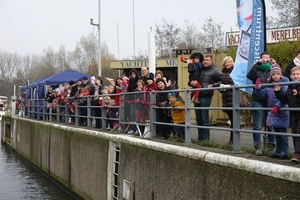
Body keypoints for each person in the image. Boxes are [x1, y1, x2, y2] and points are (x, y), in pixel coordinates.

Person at [255, 64, 289, 159]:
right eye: (273, 74)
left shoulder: (284, 85)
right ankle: (278, 150)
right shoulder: (269, 86)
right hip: (273, 113)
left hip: (281, 111)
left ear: (280, 75)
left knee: (282, 133)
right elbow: (261, 95)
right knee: (276, 132)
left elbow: (284, 98)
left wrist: (277, 106)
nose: (276, 76)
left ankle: (284, 151)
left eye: (278, 74)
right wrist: (258, 88)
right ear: (271, 76)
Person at [246, 52, 276, 156]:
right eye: (264, 59)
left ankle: (271, 146)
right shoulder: (256, 68)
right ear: (260, 59)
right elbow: (249, 76)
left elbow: (280, 76)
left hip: (270, 98)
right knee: (257, 124)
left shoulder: (273, 68)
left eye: (268, 59)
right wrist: (258, 64)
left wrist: (275, 64)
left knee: (271, 123)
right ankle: (257, 146)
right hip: (257, 98)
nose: (266, 61)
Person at [190, 55, 222, 141]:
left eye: (207, 60)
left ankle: (206, 139)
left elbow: (223, 80)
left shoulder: (215, 71)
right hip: (197, 95)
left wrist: (213, 85)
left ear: (211, 61)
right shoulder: (200, 69)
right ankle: (200, 138)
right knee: (198, 119)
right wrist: (191, 83)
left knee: (204, 118)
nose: (205, 61)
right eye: (204, 60)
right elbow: (192, 77)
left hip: (206, 96)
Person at [275, 66, 300, 163]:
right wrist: (278, 92)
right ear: (290, 76)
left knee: (298, 133)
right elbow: (285, 99)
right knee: (294, 134)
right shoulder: (290, 86)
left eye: (298, 74)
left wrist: (298, 94)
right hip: (293, 113)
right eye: (294, 74)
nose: (296, 76)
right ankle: (296, 153)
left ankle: (297, 154)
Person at [219, 56, 235, 144]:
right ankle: (233, 139)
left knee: (234, 120)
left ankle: (233, 140)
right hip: (226, 98)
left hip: (233, 97)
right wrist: (220, 88)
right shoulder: (223, 73)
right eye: (226, 62)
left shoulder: (235, 72)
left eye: (229, 62)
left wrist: (228, 87)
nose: (227, 64)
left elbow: (238, 84)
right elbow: (220, 83)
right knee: (231, 120)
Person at [127, 68, 140, 134]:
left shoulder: (138, 80)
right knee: (132, 114)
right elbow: (129, 90)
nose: (133, 75)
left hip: (137, 99)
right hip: (131, 99)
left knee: (136, 114)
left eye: (134, 73)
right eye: (132, 74)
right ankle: (133, 128)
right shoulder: (130, 81)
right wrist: (129, 99)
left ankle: (138, 129)